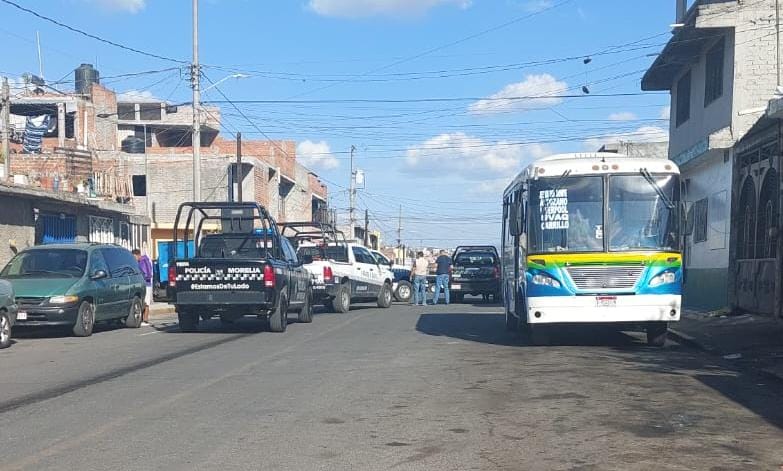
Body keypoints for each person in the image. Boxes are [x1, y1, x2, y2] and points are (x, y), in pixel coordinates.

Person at [132, 248, 153, 324]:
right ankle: (141, 318)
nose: (134, 259)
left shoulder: (144, 261)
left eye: (135, 257)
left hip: (146, 284)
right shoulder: (138, 262)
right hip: (140, 284)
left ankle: (146, 319)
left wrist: (143, 277)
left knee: (146, 302)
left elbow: (148, 274)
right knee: (142, 302)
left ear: (138, 255)